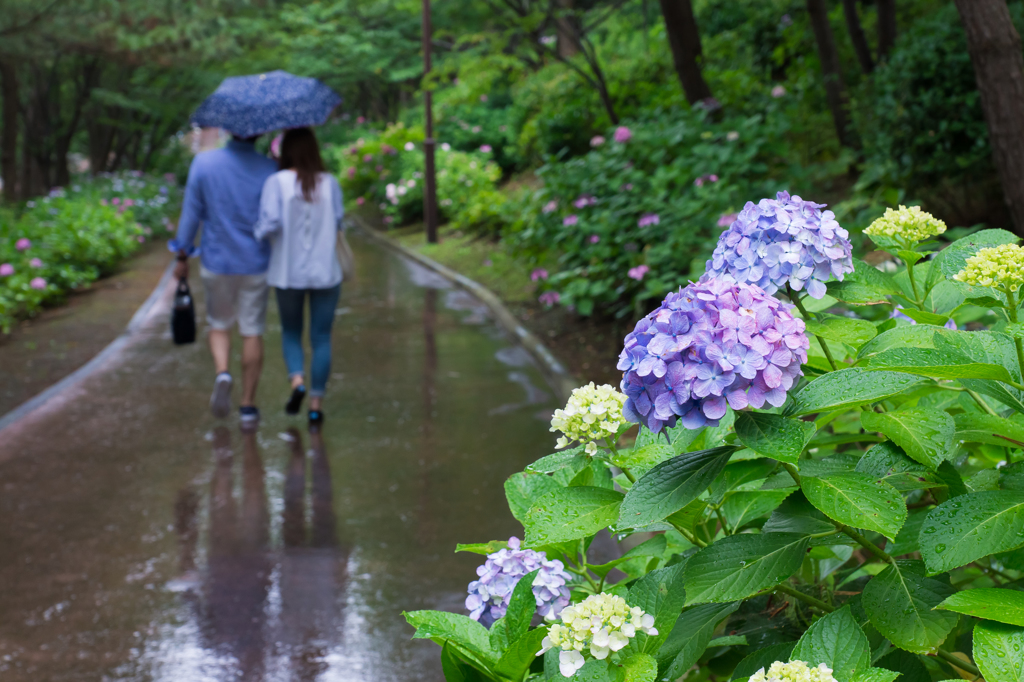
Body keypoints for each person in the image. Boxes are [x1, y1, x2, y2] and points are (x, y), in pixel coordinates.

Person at [171, 134, 277, 426]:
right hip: (256, 262)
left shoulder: (203, 163)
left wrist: (182, 256)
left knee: (219, 324)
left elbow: (191, 213)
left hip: (216, 260)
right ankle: (247, 406)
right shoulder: (269, 169)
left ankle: (222, 372)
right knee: (252, 330)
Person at [255, 127, 345, 425]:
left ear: (286, 151)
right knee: (321, 337)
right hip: (326, 273)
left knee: (291, 332)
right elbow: (339, 221)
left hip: (287, 272)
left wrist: (257, 233)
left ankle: (297, 382)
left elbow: (269, 224)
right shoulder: (330, 183)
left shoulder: (276, 182)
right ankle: (316, 404)